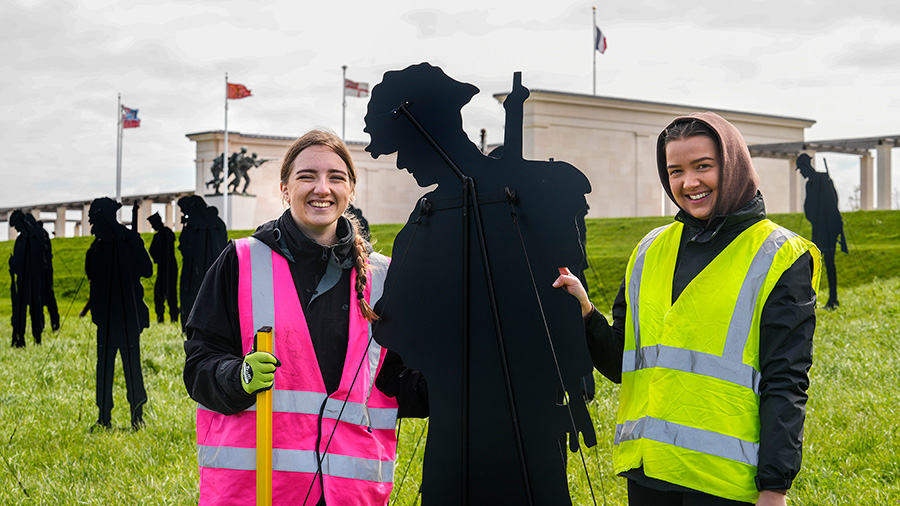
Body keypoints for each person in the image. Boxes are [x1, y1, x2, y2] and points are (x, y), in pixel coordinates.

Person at [554, 112, 821, 506]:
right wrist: (586, 314)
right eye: (675, 170)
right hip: (649, 471)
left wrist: (774, 486)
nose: (688, 182)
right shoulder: (650, 250)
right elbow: (623, 364)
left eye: (703, 167)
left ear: (732, 166)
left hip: (724, 482)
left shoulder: (780, 255)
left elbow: (786, 382)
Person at [183, 129, 428, 506]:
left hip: (349, 492)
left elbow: (402, 385)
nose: (322, 188)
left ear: (351, 190)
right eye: (307, 176)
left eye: (335, 177)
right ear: (284, 188)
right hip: (258, 490)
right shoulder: (240, 261)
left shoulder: (383, 280)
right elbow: (199, 366)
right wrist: (238, 376)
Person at [84, 197, 153, 429]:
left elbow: (147, 269)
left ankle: (137, 414)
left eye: (93, 216)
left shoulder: (127, 239)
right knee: (104, 368)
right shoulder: (99, 244)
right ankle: (104, 416)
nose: (91, 221)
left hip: (127, 315)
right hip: (107, 317)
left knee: (130, 365)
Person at [796, 153, 847, 309]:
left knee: (826, 264)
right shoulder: (814, 182)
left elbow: (832, 204)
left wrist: (834, 228)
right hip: (819, 228)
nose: (802, 173)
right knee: (813, 264)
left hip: (827, 229)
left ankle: (832, 299)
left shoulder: (821, 181)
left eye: (801, 169)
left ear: (805, 167)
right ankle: (814, 300)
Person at [9, 209, 44, 347]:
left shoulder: (35, 236)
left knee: (34, 309)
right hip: (23, 280)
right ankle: (20, 338)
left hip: (33, 280)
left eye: (17, 226)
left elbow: (40, 257)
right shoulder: (21, 239)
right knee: (20, 311)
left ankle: (37, 338)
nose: (16, 229)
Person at [148, 212, 178, 323]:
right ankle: (162, 316)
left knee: (170, 294)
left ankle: (172, 317)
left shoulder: (166, 234)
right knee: (160, 293)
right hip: (164, 267)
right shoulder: (164, 234)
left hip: (168, 268)